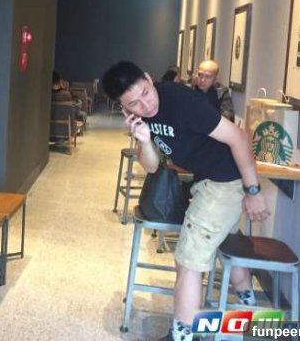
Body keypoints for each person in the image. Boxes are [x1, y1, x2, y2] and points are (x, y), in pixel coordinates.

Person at [102, 61, 269, 341]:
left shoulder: (183, 102)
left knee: (188, 261)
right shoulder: (143, 118)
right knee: (221, 242)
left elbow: (239, 138)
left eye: (145, 93)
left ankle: (184, 333)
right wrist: (144, 139)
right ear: (123, 107)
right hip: (205, 181)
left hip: (224, 182)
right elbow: (151, 166)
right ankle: (246, 300)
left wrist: (253, 191)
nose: (145, 105)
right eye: (133, 104)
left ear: (148, 78)